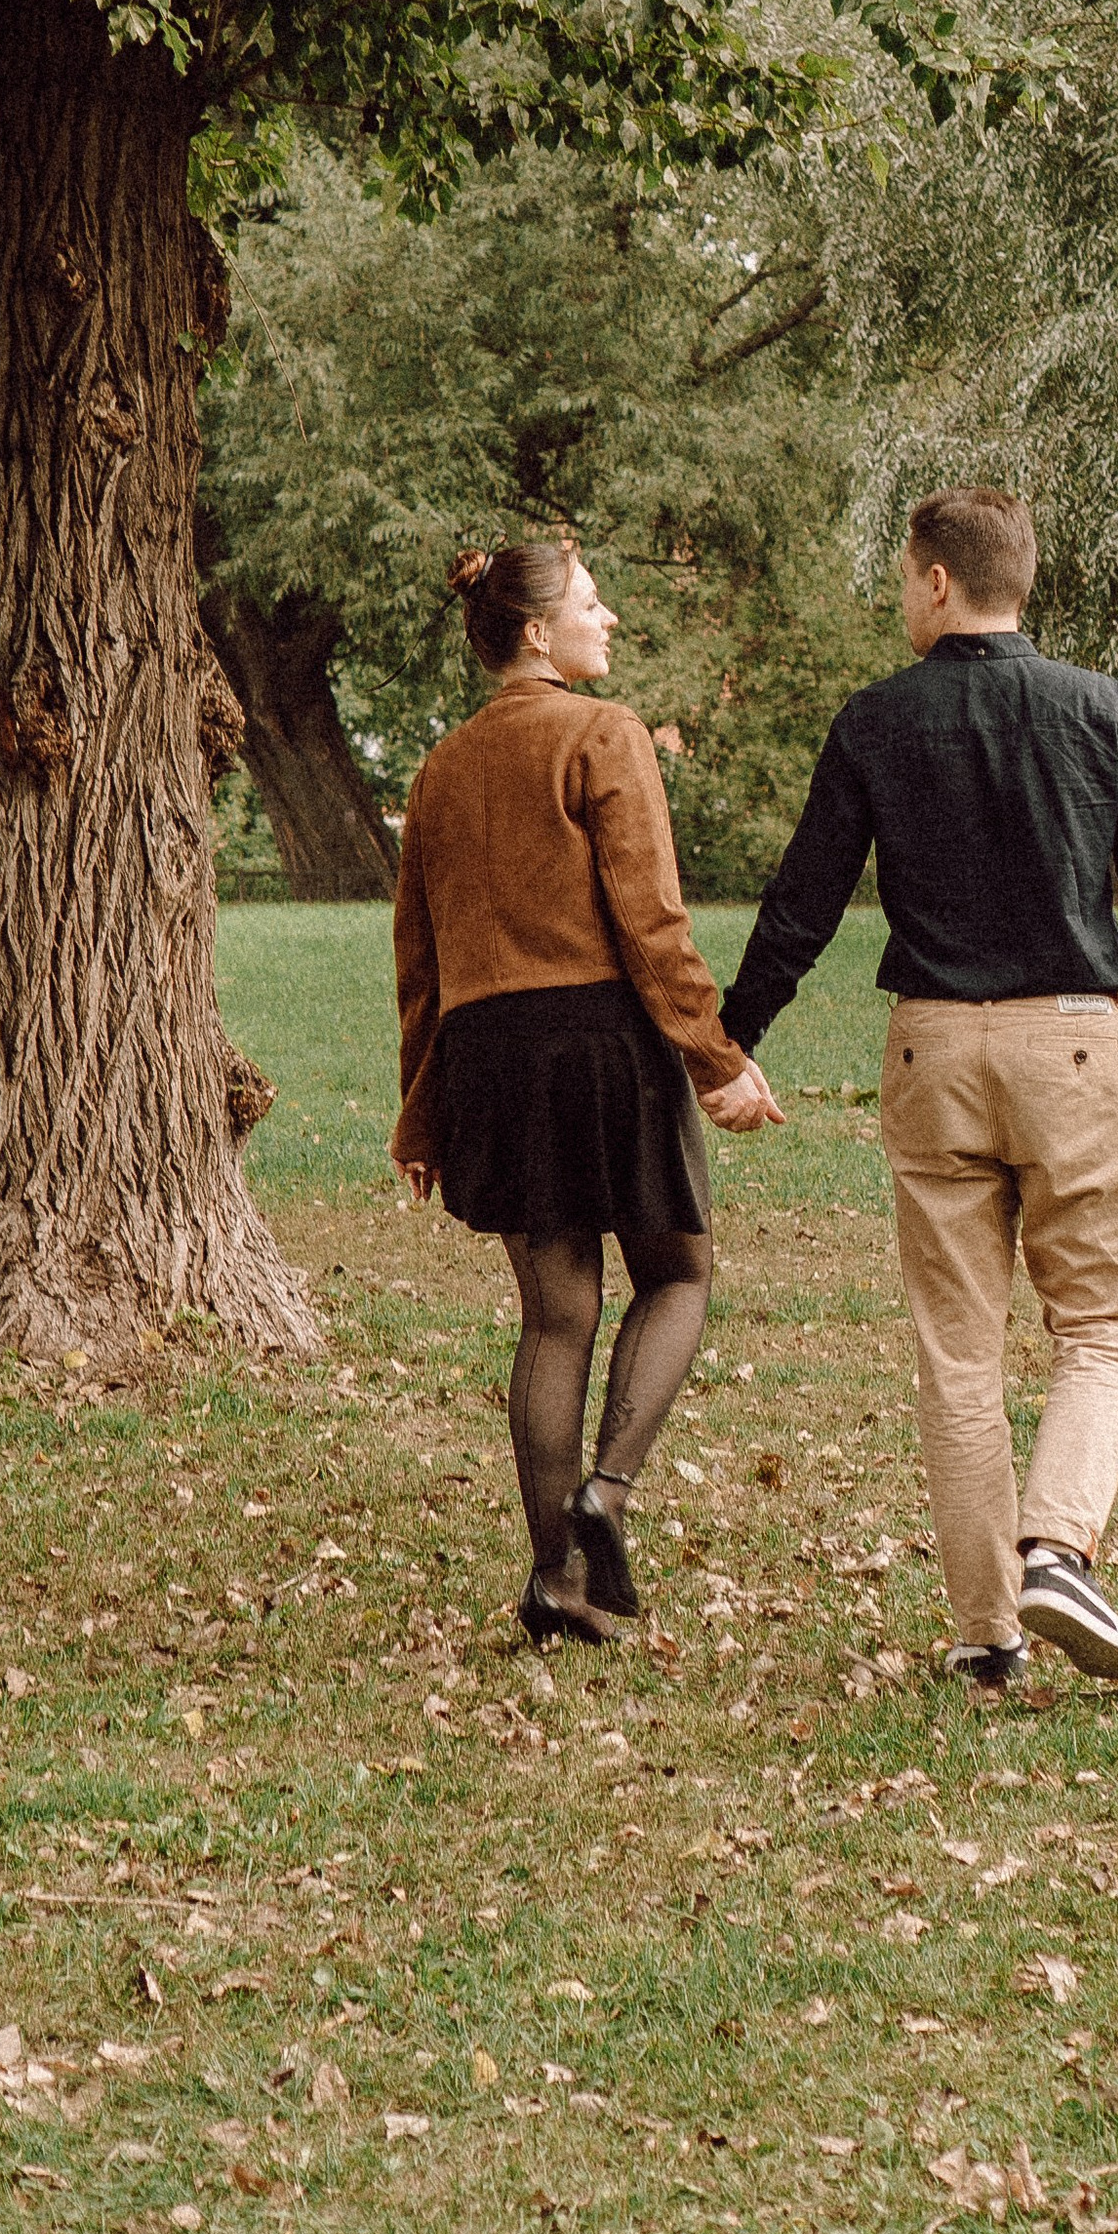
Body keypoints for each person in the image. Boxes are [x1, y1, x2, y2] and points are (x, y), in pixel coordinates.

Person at [718, 487, 1118, 1695]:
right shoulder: (1101, 712)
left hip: (931, 1054)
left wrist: (733, 1038)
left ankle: (985, 1630)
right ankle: (1058, 1548)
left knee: (959, 1352)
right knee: (1104, 1322)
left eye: (905, 577)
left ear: (941, 583)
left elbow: (802, 898)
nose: (901, 595)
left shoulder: (875, 722)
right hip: (1072, 1045)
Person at [391, 538, 783, 1647]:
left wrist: (421, 1111)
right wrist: (717, 1061)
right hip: (604, 1039)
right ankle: (606, 1490)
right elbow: (650, 923)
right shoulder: (601, 736)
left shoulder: (436, 771)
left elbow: (418, 962)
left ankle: (555, 1582)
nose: (606, 622)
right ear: (533, 631)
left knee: (555, 1314)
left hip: (489, 1058)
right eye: (592, 605)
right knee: (679, 1273)